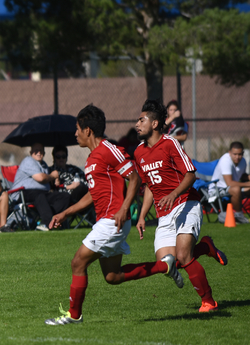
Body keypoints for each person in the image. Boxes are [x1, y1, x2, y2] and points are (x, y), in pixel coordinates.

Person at [45, 104, 183, 326]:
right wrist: (65, 212)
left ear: (88, 130)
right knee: (113, 277)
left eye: (77, 129)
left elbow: (135, 178)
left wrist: (123, 208)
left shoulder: (109, 149)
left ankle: (73, 316)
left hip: (113, 221)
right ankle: (165, 265)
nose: (75, 134)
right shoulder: (92, 159)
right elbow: (93, 194)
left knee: (78, 263)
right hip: (109, 221)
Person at [135, 99, 226, 313]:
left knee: (184, 256)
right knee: (166, 263)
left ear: (155, 123)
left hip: (187, 203)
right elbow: (149, 186)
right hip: (164, 213)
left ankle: (208, 302)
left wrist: (174, 193)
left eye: (141, 120)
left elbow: (191, 174)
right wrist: (141, 216)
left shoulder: (170, 144)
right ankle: (205, 247)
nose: (137, 124)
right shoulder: (139, 152)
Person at [11, 143, 70, 231]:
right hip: (23, 193)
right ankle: (47, 223)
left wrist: (55, 179)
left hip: (41, 193)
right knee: (39, 196)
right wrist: (53, 176)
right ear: (31, 152)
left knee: (64, 196)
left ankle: (51, 221)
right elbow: (41, 178)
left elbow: (47, 180)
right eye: (36, 151)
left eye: (41, 151)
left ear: (44, 153)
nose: (39, 153)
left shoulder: (44, 164)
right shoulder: (28, 161)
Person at [209, 141, 250, 224]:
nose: (237, 157)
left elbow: (241, 175)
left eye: (239, 154)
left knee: (238, 189)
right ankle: (239, 216)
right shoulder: (225, 160)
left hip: (231, 188)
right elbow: (230, 183)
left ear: (242, 153)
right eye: (235, 154)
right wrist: (247, 184)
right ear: (229, 152)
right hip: (217, 190)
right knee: (236, 189)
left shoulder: (243, 161)